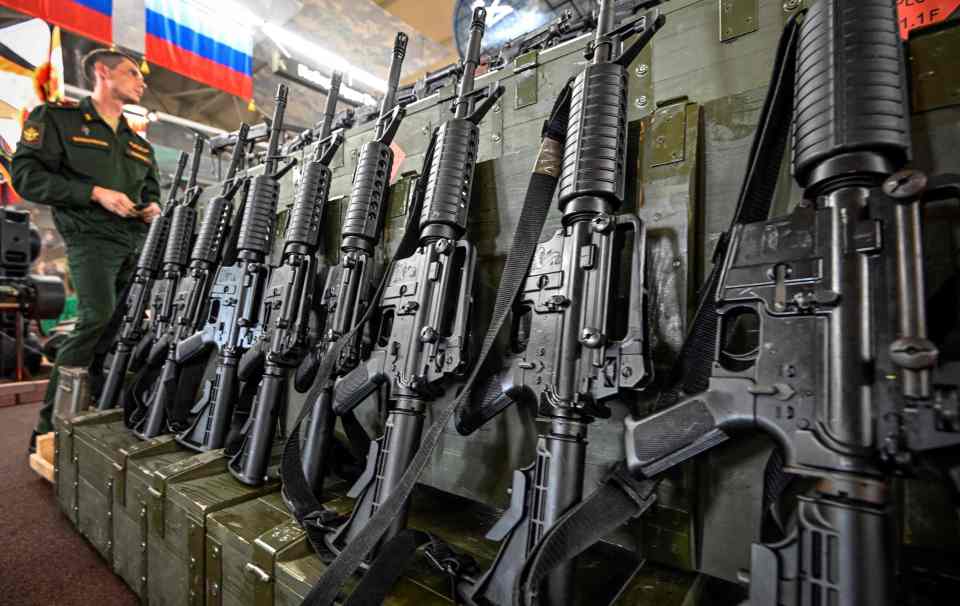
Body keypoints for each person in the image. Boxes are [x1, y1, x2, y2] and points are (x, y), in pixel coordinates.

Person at [12, 48, 161, 452]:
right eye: (132, 72)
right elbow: (25, 176)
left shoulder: (138, 144)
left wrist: (152, 207)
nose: (141, 80)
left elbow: (151, 191)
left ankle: (91, 409)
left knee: (120, 329)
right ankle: (48, 427)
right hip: (90, 238)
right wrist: (93, 193)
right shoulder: (58, 120)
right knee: (95, 317)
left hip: (133, 243)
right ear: (102, 72)